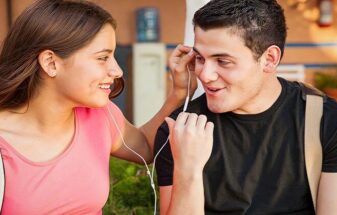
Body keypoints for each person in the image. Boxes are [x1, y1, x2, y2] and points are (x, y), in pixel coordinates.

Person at [0, 0, 211, 214]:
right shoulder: (4, 142)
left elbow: (146, 147)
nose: (117, 70)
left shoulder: (100, 115)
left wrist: (180, 92)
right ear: (51, 63)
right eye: (102, 58)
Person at [154, 0, 337, 214]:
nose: (205, 75)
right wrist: (188, 170)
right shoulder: (181, 131)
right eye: (199, 58)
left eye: (223, 61)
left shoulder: (327, 123)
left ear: (269, 59)